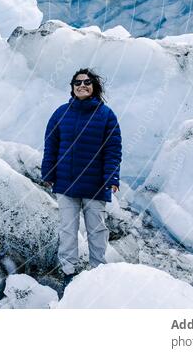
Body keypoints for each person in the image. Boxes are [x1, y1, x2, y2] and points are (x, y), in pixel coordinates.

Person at [40, 67, 122, 276]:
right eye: (78, 83)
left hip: (95, 185)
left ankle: (98, 272)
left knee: (97, 230)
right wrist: (48, 174)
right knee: (68, 230)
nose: (82, 85)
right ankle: (69, 271)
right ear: (72, 88)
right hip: (66, 183)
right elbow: (51, 146)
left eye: (87, 82)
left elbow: (113, 149)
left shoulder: (106, 115)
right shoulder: (61, 113)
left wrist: (112, 177)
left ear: (94, 87)